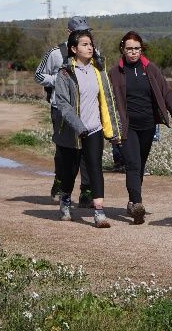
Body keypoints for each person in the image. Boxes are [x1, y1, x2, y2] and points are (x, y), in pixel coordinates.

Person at [108, 31, 172, 224]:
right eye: (129, 49)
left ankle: (132, 201)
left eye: (136, 49)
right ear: (123, 50)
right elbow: (107, 101)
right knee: (132, 164)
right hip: (127, 127)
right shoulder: (114, 73)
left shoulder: (150, 69)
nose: (133, 52)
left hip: (148, 125)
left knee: (140, 165)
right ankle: (137, 203)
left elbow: (167, 93)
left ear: (141, 49)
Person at [53, 29, 121, 228]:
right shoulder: (65, 74)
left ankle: (99, 212)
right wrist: (78, 125)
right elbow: (63, 104)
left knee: (95, 169)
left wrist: (112, 129)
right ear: (74, 49)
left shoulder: (97, 70)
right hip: (72, 131)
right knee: (70, 171)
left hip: (94, 129)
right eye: (84, 44)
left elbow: (106, 101)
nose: (89, 47)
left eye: (90, 44)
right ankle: (65, 199)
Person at [34, 16, 96, 207]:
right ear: (69, 33)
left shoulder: (95, 52)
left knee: (87, 151)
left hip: (87, 109)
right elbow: (38, 75)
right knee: (64, 150)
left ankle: (86, 189)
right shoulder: (55, 53)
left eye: (87, 32)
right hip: (60, 109)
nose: (86, 36)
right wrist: (61, 80)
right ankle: (60, 180)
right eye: (80, 33)